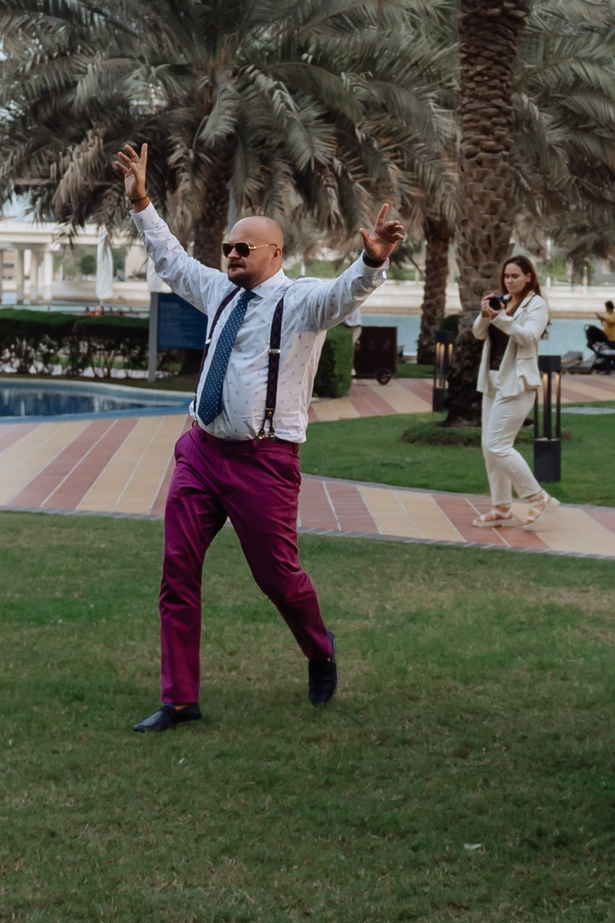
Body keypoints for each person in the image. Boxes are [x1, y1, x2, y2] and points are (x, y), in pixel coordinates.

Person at [113, 142, 403, 732]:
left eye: (243, 248)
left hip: (262, 461)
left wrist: (369, 263)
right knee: (177, 569)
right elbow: (170, 258)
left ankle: (319, 647)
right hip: (200, 451)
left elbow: (341, 295)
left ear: (274, 253)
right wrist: (142, 201)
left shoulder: (300, 303)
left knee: (277, 574)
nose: (231, 256)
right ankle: (179, 700)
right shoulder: (220, 291)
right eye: (226, 248)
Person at [475, 256, 551, 527]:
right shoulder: (502, 300)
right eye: (506, 276)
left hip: (517, 382)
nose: (510, 280)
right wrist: (486, 315)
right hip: (492, 380)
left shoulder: (537, 304)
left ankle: (537, 496)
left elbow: (528, 337)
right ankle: (502, 508)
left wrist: (501, 319)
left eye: (515, 276)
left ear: (528, 277)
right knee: (488, 448)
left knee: (498, 444)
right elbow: (478, 333)